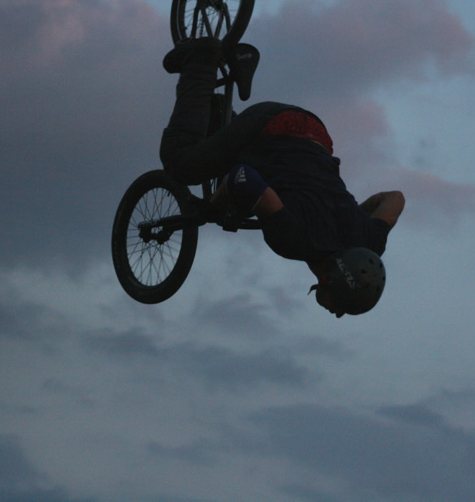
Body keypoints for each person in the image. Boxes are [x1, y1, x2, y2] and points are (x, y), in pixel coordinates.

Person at [159, 38, 405, 318]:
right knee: (181, 164)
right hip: (269, 125)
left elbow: (395, 198)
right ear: (329, 281)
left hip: (315, 133)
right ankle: (200, 60)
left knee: (243, 192)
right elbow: (241, 177)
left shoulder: (368, 243)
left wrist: (351, 214)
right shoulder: (293, 239)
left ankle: (225, 93)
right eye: (341, 307)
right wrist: (212, 208)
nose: (337, 314)